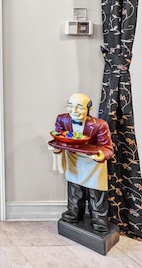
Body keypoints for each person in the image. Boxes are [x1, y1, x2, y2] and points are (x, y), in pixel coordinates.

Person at [52, 93, 114, 233]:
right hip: (73, 159)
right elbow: (59, 138)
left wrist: (101, 155)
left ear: (89, 109)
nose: (74, 111)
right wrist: (56, 148)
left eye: (79, 107)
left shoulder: (99, 125)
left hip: (93, 162)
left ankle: (99, 220)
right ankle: (73, 213)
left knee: (96, 192)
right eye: (70, 106)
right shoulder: (63, 119)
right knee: (75, 189)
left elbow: (108, 147)